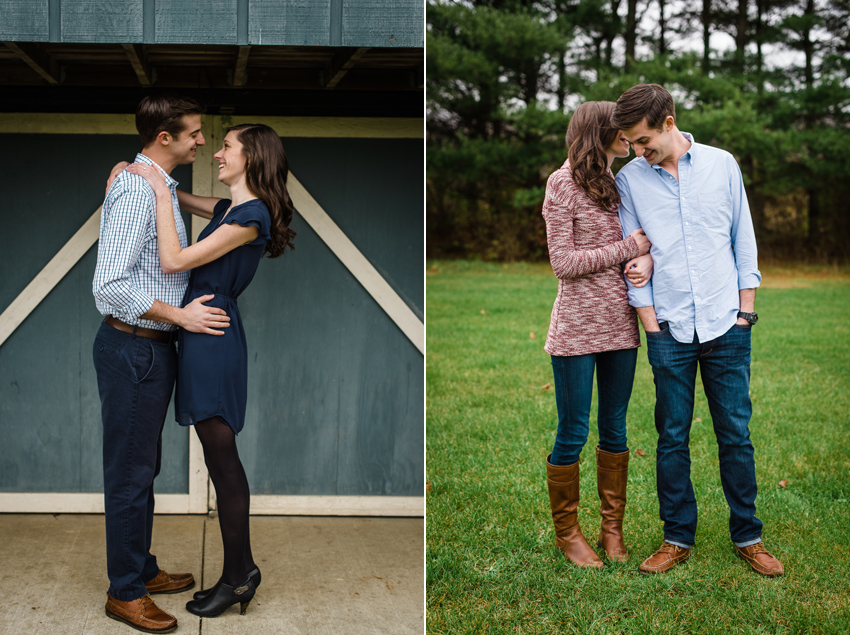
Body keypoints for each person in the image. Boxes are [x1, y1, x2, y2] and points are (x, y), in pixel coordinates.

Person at [123, 122, 296, 616]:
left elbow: (175, 260)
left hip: (212, 335)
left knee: (222, 458)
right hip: (199, 330)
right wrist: (139, 172)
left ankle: (239, 576)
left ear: (251, 156)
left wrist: (156, 188)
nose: (216, 153)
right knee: (219, 455)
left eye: (225, 147)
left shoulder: (252, 216)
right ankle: (241, 572)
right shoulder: (229, 209)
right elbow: (181, 199)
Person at [612, 83, 784, 577]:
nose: (636, 152)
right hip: (668, 327)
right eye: (630, 144)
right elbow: (632, 251)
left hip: (726, 323)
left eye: (642, 141)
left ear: (668, 122)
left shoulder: (722, 164)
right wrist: (651, 325)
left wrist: (745, 313)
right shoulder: (631, 180)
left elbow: (742, 238)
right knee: (671, 436)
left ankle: (748, 536)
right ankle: (676, 538)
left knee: (735, 434)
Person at [93, 93, 232, 634]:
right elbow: (110, 285)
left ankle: (141, 570)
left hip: (151, 348)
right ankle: (124, 593)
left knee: (142, 469)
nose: (202, 141)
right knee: (129, 474)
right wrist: (182, 316)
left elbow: (203, 207)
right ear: (165, 138)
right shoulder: (134, 188)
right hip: (133, 346)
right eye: (195, 133)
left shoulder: (157, 183)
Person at [541, 101, 653, 568]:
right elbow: (562, 263)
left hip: (622, 326)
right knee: (573, 430)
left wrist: (643, 257)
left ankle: (612, 530)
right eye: (620, 129)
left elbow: (650, 238)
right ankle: (569, 534)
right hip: (575, 330)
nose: (628, 135)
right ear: (599, 132)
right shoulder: (561, 183)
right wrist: (629, 247)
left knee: (615, 427)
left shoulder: (620, 183)